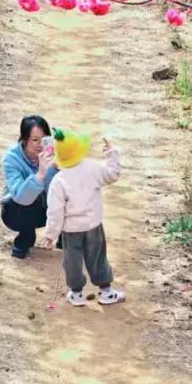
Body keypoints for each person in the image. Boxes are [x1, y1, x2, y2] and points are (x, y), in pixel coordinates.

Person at [40, 129, 125, 305]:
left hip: (71, 230)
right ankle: (106, 291)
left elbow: (55, 211)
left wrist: (51, 235)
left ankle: (77, 293)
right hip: (93, 225)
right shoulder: (92, 168)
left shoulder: (58, 180)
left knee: (72, 261)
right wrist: (111, 153)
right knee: (98, 257)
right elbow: (113, 174)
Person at [1, 115, 57, 259]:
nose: (40, 145)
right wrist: (41, 174)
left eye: (44, 140)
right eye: (34, 140)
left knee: (72, 186)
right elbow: (20, 197)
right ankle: (25, 237)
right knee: (27, 195)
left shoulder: (54, 155)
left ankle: (67, 235)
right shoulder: (11, 159)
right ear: (24, 139)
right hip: (17, 211)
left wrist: (60, 167)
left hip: (49, 209)